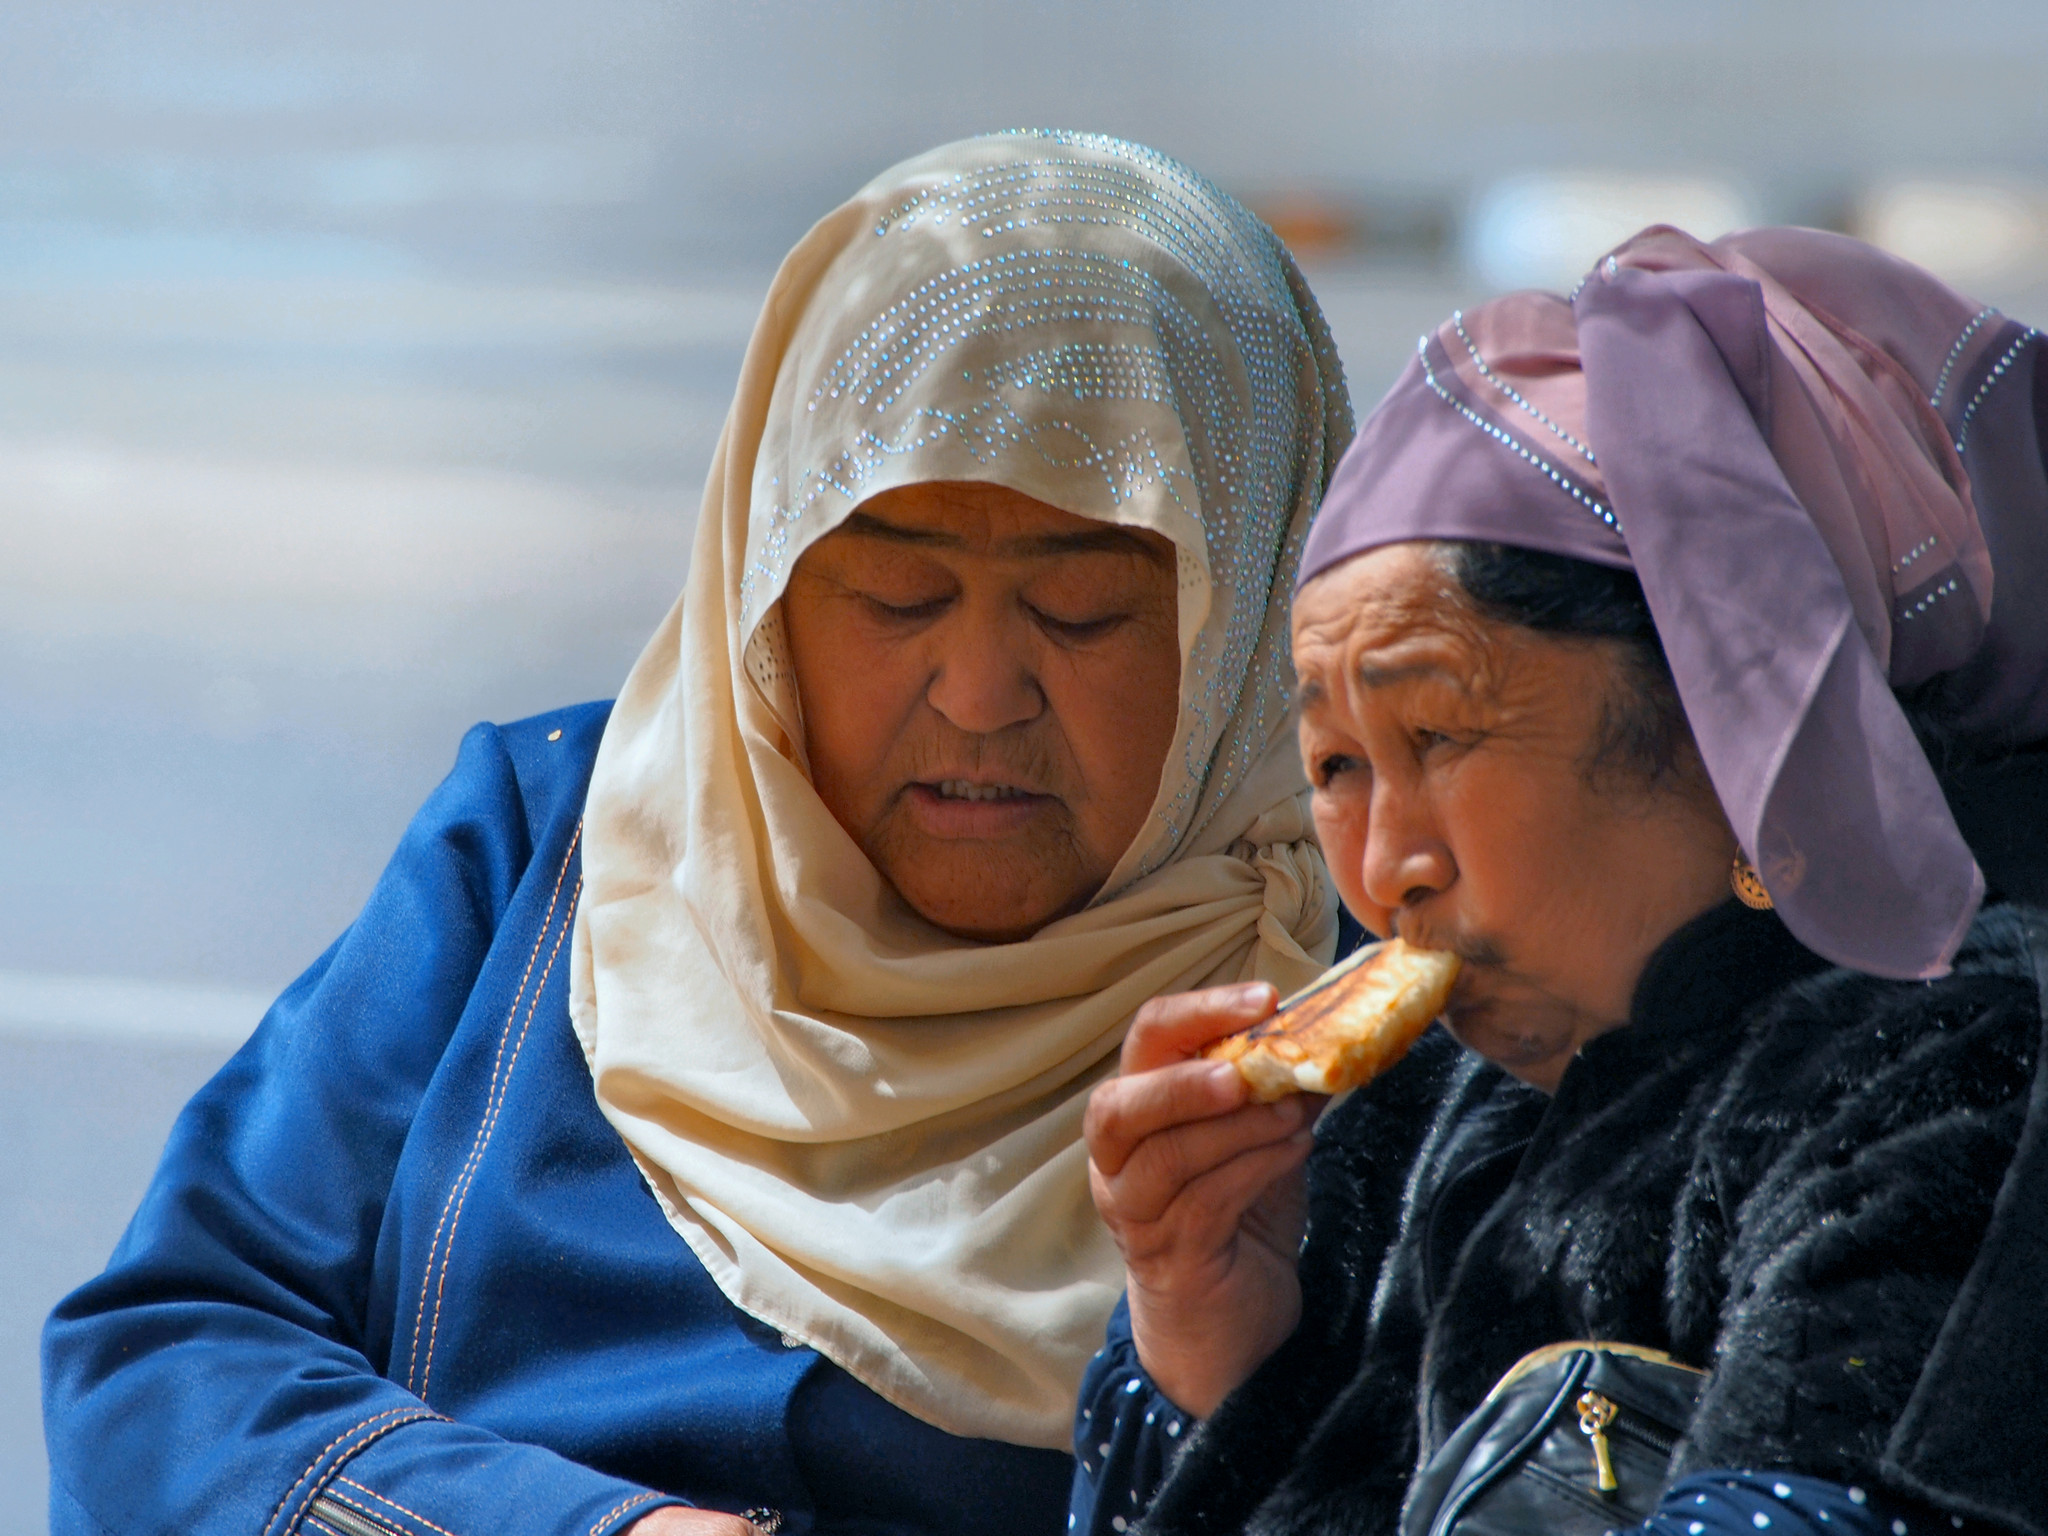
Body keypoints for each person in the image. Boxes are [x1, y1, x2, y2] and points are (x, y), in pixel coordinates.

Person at [42, 132, 1352, 1536]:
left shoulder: (1359, 1018)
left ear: (1253, 636)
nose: (978, 696)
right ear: (765, 586)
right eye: (897, 594)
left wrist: (1221, 1367)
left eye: (1084, 611)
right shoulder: (561, 851)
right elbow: (160, 1368)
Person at [1072, 225, 2048, 1536]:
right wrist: (1206, 1333)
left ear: (1728, 734)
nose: (1380, 869)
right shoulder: (1398, 1113)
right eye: (1337, 765)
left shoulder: (1955, 1072)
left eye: (1440, 738)